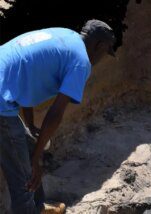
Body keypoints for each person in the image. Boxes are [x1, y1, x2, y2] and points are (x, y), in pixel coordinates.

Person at [0, 19, 116, 214]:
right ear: (100, 46)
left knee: (27, 147)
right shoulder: (80, 62)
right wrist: (36, 160)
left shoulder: (65, 35)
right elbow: (56, 113)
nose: (103, 57)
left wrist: (29, 125)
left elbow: (26, 74)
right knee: (24, 181)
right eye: (106, 52)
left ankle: (39, 207)